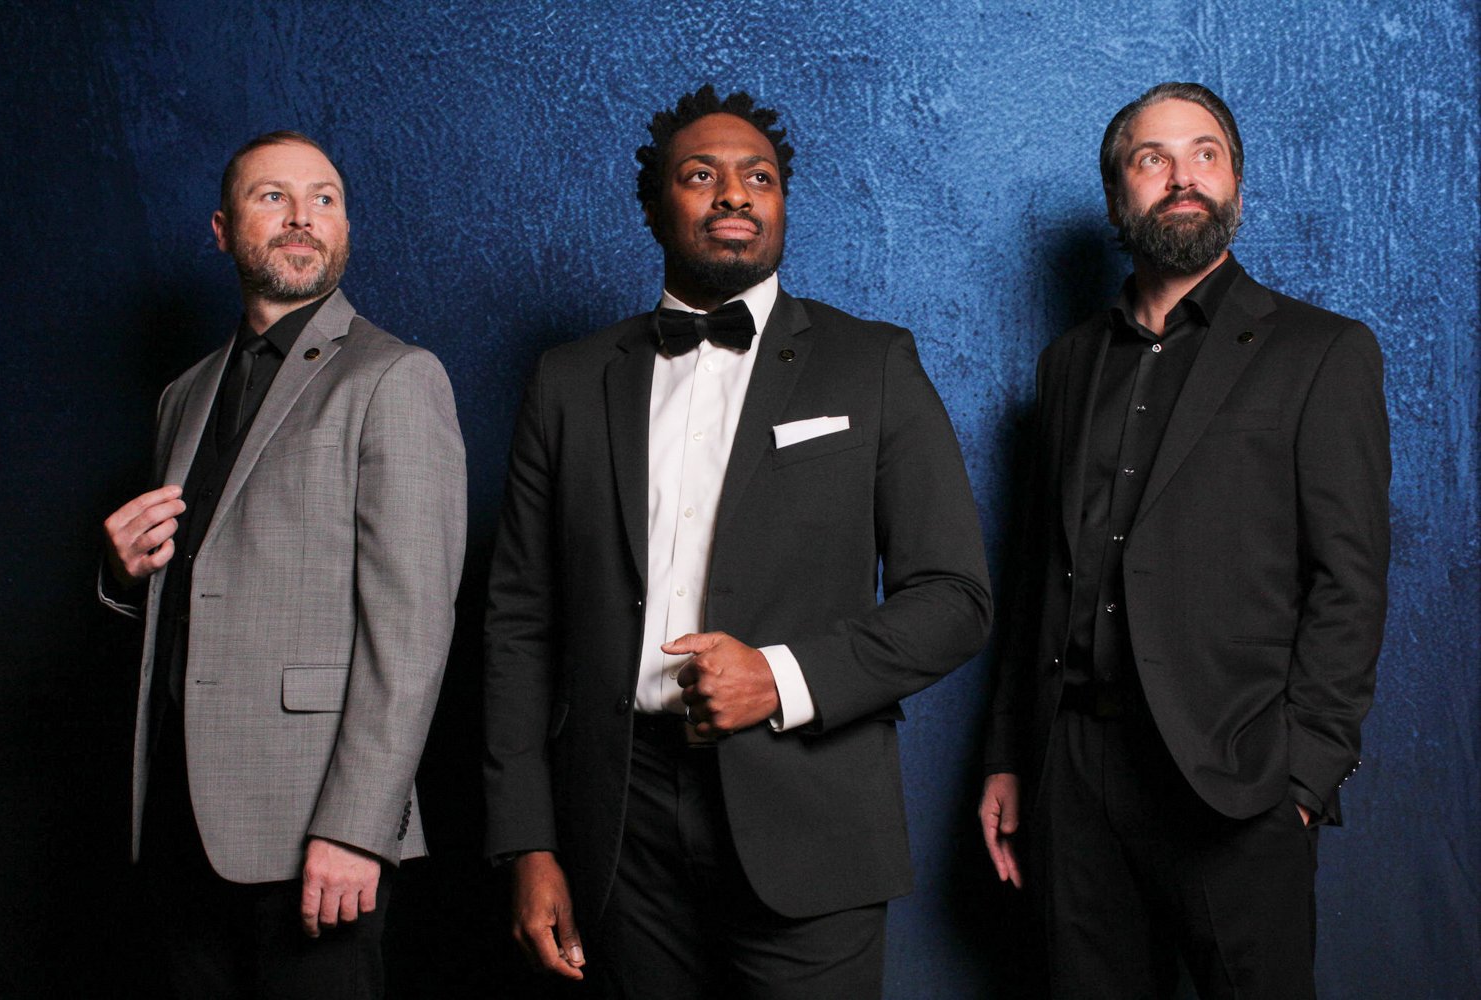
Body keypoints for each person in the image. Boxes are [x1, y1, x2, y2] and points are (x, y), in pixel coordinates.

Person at [483, 85, 991, 998]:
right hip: (616, 827)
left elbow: (955, 599)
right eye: (700, 175)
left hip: (813, 814)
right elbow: (519, 622)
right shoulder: (567, 381)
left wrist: (783, 677)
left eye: (758, 177)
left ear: (782, 204)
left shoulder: (873, 363)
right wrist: (528, 840)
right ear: (654, 207)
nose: (733, 194)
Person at [978, 82, 1390, 998]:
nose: (1182, 178)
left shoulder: (1322, 353)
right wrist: (1011, 754)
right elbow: (1038, 572)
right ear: (1120, 196)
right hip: (1073, 775)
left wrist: (1305, 775)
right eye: (1152, 160)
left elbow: (1349, 582)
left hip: (1236, 783)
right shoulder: (1068, 364)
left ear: (1236, 183)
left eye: (1205, 154)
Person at [99, 130, 466, 997]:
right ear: (223, 229)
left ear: (345, 229)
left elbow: (412, 631)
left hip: (316, 838)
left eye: (325, 198)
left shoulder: (395, 378)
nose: (303, 216)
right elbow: (193, 592)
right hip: (179, 829)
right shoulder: (182, 395)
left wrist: (357, 828)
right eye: (273, 196)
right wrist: (121, 580)